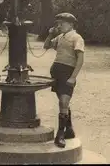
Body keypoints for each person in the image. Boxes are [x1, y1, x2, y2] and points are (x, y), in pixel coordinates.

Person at [43, 13, 85, 148]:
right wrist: (50, 34)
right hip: (57, 71)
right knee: (63, 103)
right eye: (58, 24)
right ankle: (70, 130)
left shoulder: (77, 38)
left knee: (63, 101)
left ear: (71, 24)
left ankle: (60, 134)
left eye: (62, 23)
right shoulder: (60, 37)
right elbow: (46, 46)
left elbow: (80, 59)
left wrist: (73, 77)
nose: (59, 26)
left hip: (68, 73)